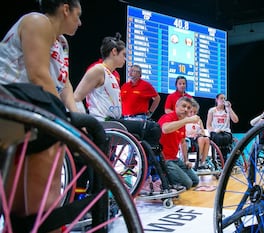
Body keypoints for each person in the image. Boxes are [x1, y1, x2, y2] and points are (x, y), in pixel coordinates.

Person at [0, 0, 82, 225]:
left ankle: (28, 221)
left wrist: (76, 117)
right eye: (78, 15)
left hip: (31, 111)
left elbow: (64, 84)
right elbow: (38, 76)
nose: (80, 22)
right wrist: (65, 122)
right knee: (54, 122)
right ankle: (44, 221)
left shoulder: (62, 43)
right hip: (11, 103)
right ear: (66, 9)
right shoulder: (37, 21)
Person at [74, 33, 161, 147]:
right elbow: (76, 97)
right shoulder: (98, 70)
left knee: (151, 130)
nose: (125, 59)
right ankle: (152, 163)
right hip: (104, 123)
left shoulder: (113, 75)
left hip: (115, 121)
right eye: (124, 55)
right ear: (114, 52)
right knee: (152, 128)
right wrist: (83, 122)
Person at [158, 96, 200, 190]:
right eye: (183, 106)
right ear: (176, 107)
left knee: (195, 181)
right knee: (188, 184)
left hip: (175, 159)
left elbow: (183, 142)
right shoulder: (168, 117)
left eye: (188, 108)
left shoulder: (182, 124)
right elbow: (165, 129)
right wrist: (186, 120)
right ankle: (163, 180)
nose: (186, 109)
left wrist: (186, 160)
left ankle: (173, 177)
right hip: (164, 159)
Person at [206, 93, 239, 158]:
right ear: (216, 100)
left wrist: (229, 108)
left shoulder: (228, 110)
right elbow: (208, 125)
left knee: (226, 138)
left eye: (224, 98)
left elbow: (236, 120)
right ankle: (219, 158)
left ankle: (225, 157)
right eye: (221, 98)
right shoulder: (212, 110)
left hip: (226, 132)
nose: (223, 100)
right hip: (215, 132)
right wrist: (215, 130)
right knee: (219, 138)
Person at [185, 98, 211, 170]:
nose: (193, 114)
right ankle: (197, 161)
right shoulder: (184, 119)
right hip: (188, 140)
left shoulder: (198, 119)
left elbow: (203, 131)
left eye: (195, 112)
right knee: (202, 139)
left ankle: (202, 162)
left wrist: (199, 133)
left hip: (197, 138)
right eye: (191, 112)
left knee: (207, 139)